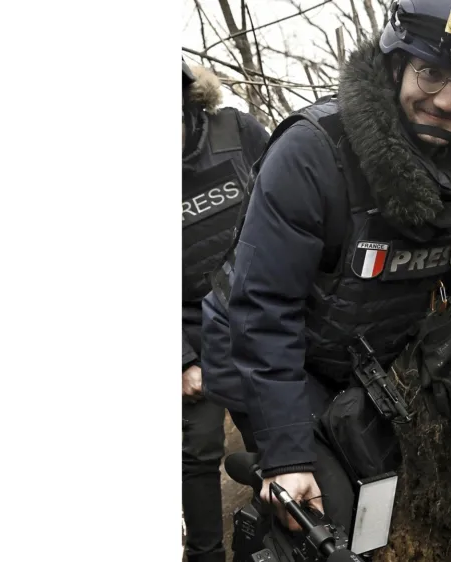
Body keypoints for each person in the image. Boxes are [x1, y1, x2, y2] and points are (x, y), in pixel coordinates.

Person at [201, 0, 451, 539]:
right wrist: (285, 454)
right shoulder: (311, 153)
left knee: (377, 495)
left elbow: (405, 254)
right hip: (263, 349)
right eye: (430, 72)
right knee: (320, 511)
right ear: (396, 63)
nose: (447, 101)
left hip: (346, 346)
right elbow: (263, 310)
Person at [181, 59, 270, 562]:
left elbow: (287, 206)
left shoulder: (237, 131)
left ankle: (279, 537)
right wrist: (181, 359)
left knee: (277, 433)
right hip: (188, 326)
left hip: (257, 313)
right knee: (198, 450)